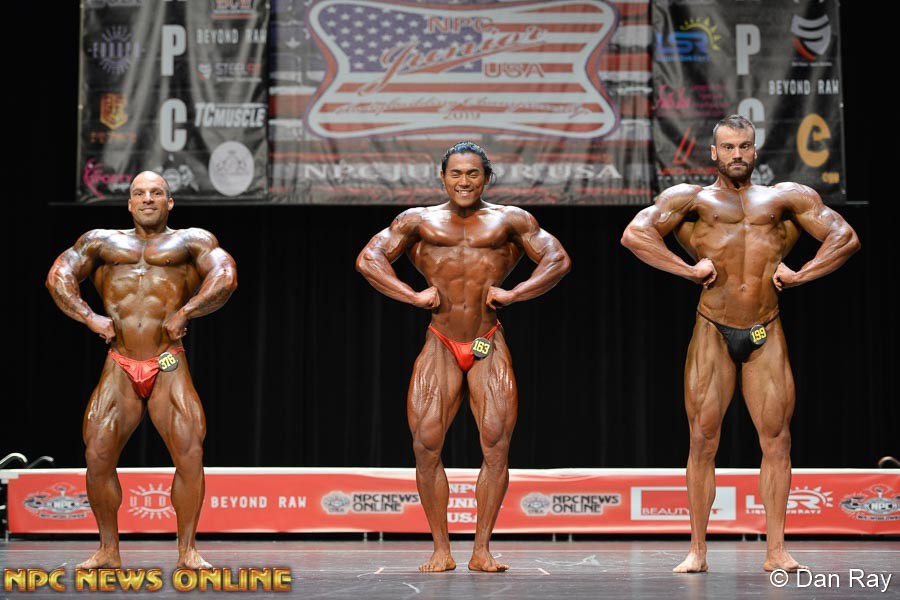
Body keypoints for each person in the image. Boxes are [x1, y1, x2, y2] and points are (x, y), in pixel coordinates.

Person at [621, 115, 860, 573]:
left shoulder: (784, 198)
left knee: (778, 440)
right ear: (713, 152)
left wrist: (802, 274)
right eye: (728, 147)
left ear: (755, 150)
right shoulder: (691, 199)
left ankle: (776, 550)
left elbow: (844, 236)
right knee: (701, 439)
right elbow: (635, 234)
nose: (736, 154)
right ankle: (697, 551)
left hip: (765, 329)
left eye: (744, 146)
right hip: (712, 328)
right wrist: (687, 270)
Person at [356, 142, 571, 572]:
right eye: (456, 173)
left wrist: (515, 293)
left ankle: (481, 550)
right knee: (425, 445)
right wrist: (411, 295)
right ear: (443, 178)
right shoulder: (418, 220)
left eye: (473, 173)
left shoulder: (510, 220)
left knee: (496, 445)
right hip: (441, 340)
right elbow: (369, 259)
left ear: (486, 177)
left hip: (486, 341)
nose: (464, 181)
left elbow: (558, 258)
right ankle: (441, 549)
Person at [46, 171, 238, 569]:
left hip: (168, 360)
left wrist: (186, 312)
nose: (148, 198)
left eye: (156, 192)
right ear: (129, 203)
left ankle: (188, 550)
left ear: (170, 202)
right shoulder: (100, 241)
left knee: (190, 453)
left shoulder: (191, 241)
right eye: (139, 192)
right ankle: (108, 550)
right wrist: (89, 317)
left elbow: (226, 276)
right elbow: (58, 276)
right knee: (97, 454)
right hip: (120, 360)